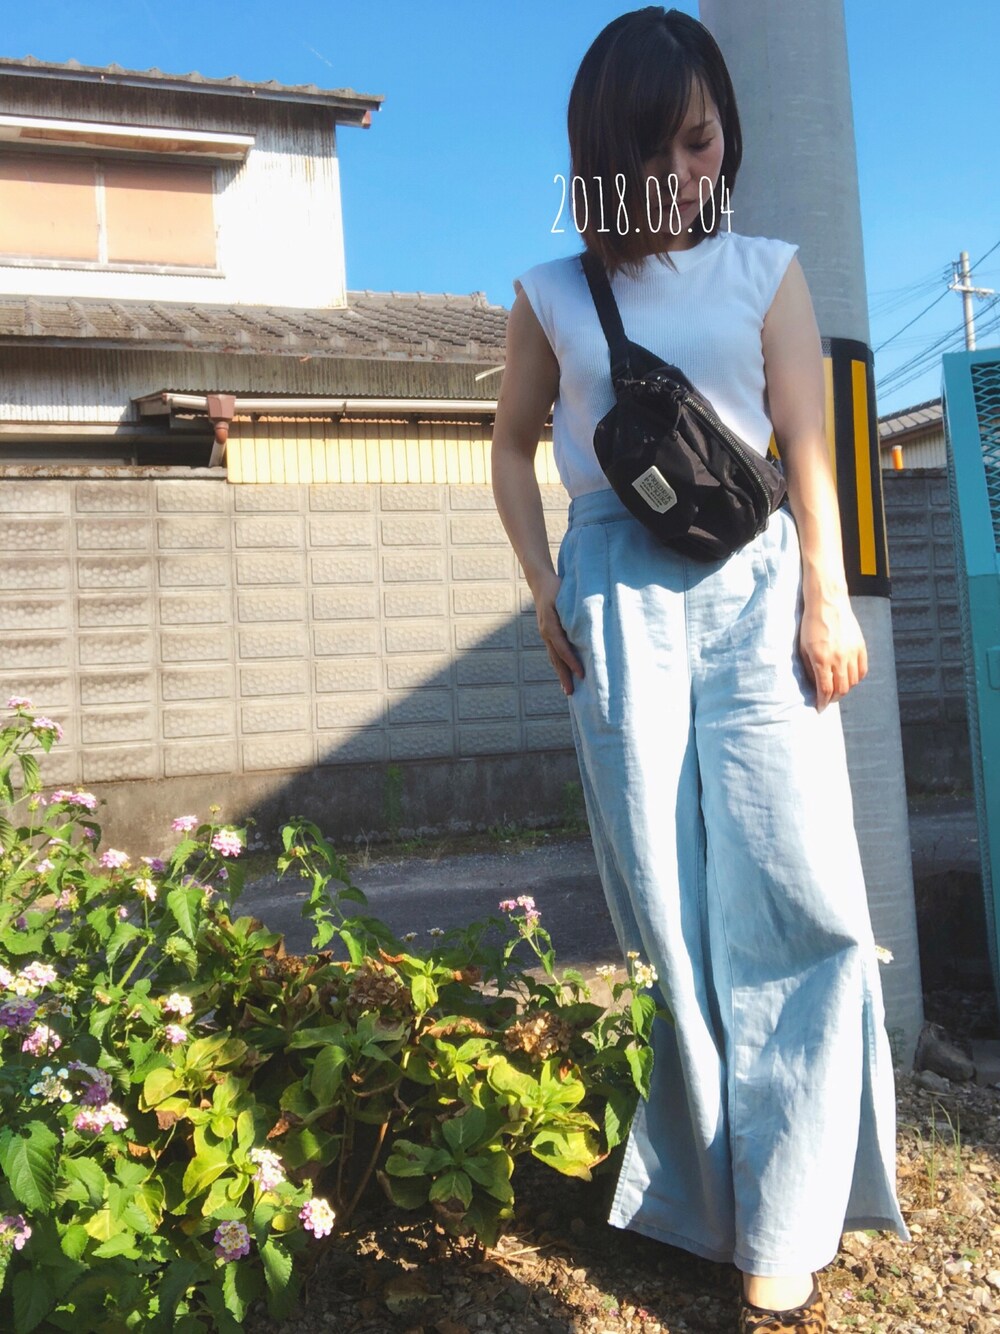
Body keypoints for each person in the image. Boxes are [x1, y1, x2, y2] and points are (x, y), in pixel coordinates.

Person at [490, 8, 910, 1333]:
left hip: (759, 587)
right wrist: (544, 585)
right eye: (658, 145)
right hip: (615, 594)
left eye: (703, 138)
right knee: (668, 912)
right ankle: (709, 1197)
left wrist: (827, 596)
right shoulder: (552, 292)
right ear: (603, 152)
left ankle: (788, 1212)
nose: (686, 168)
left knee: (800, 889)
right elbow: (508, 449)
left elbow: (808, 446)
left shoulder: (765, 271)